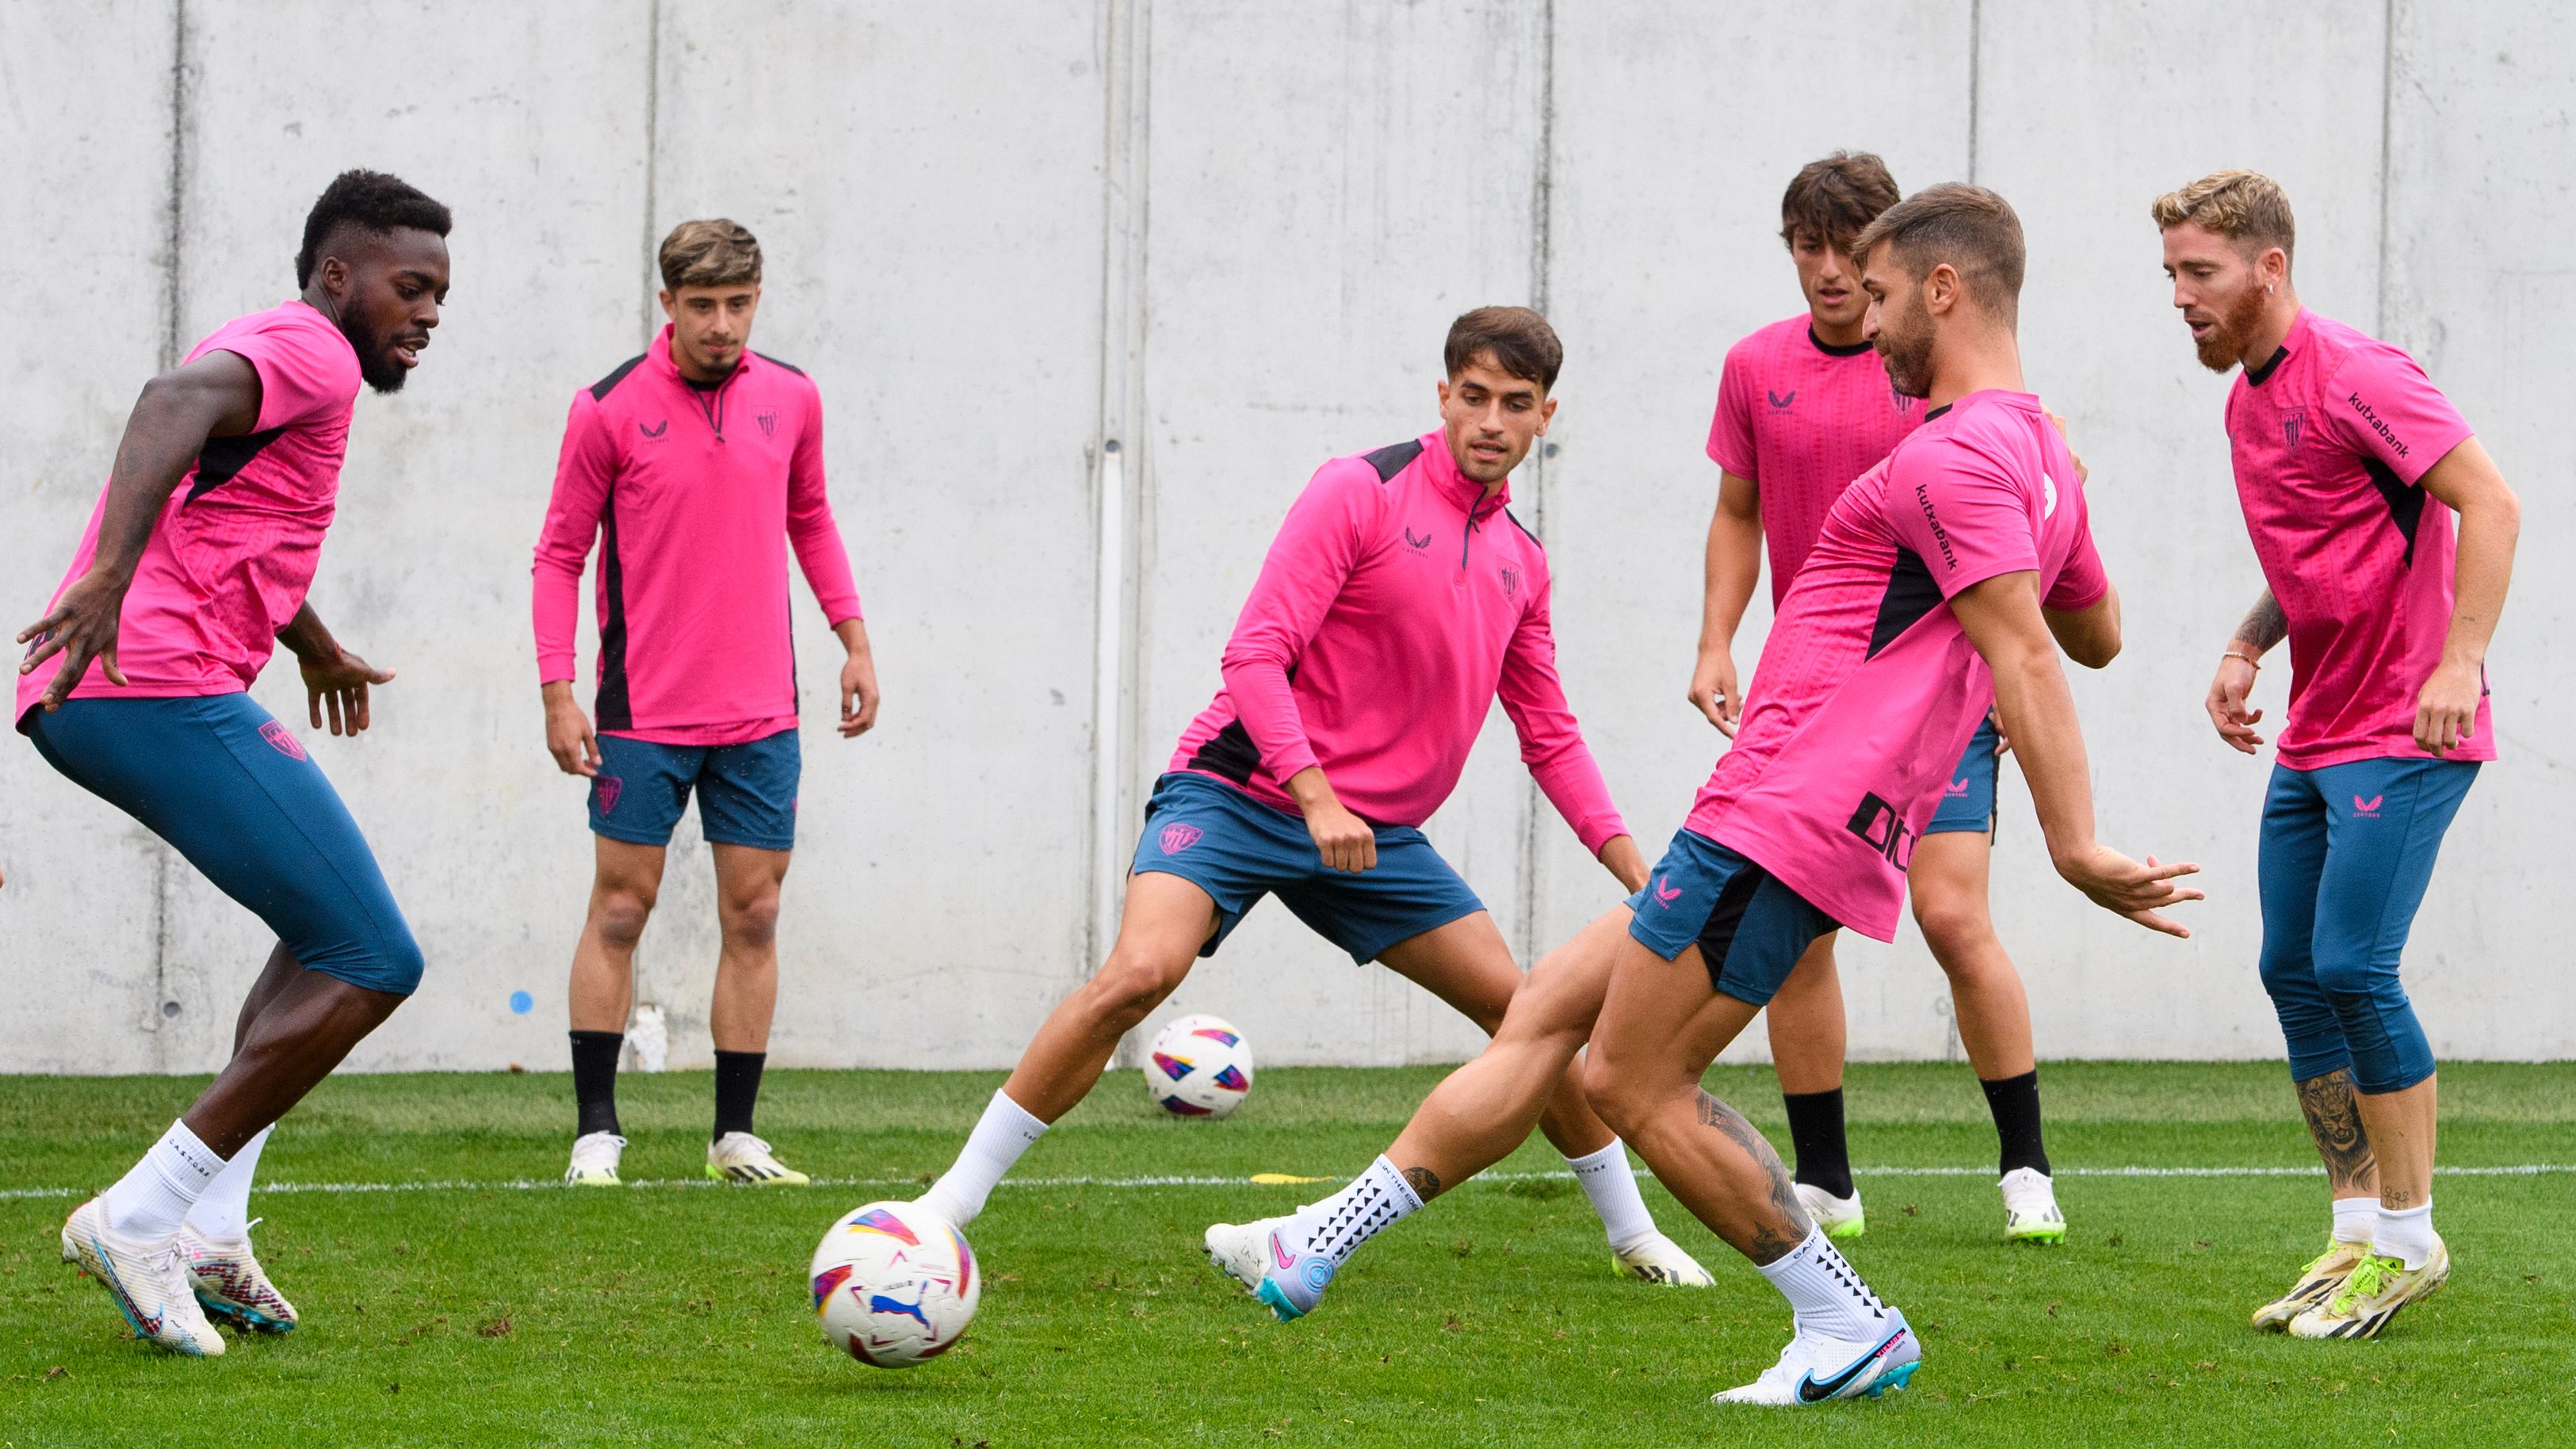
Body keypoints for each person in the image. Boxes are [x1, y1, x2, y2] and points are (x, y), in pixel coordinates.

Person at [1213, 186, 2200, 1406]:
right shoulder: (2034, 452)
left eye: (1883, 295)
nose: (1868, 320)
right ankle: (1316, 1244)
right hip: (1770, 804)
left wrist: (2073, 842)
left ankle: (1847, 1323)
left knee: (1629, 1083)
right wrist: (2057, 507)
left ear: (1943, 290)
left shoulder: (1954, 452)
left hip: (1787, 813)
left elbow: (2032, 653)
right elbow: (2095, 626)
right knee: (1546, 1009)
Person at [913, 308, 1710, 1289]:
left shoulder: (1522, 563)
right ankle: (946, 1204)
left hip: (1371, 836)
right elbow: (1254, 654)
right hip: (1241, 789)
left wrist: (1640, 868)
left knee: (1529, 1014)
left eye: (1514, 404)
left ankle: (1632, 1234)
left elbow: (1547, 730)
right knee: (1137, 973)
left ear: (1547, 415)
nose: (1490, 422)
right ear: (1442, 395)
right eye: (1472, 397)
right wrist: (1314, 793)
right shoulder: (1359, 490)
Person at [17, 170, 452, 1355]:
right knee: (374, 957)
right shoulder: (305, 348)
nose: (427, 313)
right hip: (143, 683)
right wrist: (105, 573)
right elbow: (169, 403)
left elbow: (232, 508)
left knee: (322, 936)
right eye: (410, 288)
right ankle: (144, 1214)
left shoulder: (299, 364)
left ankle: (208, 1227)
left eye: (439, 297)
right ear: (336, 276)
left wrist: (311, 642)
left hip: (134, 685)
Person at [2155, 170, 2518, 1340]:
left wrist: (2458, 665)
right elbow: (2319, 539)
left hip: (2407, 729)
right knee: (2292, 971)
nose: (2177, 296)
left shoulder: (2360, 373)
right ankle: (2353, 1229)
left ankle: (2411, 1242)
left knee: (2355, 967)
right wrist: (2245, 644)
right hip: (2315, 729)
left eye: (2197, 272)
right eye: (2168, 274)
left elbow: (2490, 504)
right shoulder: (2244, 405)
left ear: (2268, 267)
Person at [1694, 151, 2063, 1245]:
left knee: (1952, 915)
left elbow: (2030, 515)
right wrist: (1716, 640)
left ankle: (2025, 1167)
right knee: (1797, 942)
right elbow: (1735, 510)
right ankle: (1824, 1183)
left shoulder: (1933, 373)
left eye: (1846, 248)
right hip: (1813, 709)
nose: (1824, 268)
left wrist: (2005, 664)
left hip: (1935, 704)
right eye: (1804, 247)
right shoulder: (1753, 366)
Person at [533, 220, 878, 1188]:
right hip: (641, 713)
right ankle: (596, 1133)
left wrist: (854, 639)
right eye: (702, 307)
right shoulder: (606, 409)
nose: (721, 326)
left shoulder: (794, 397)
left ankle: (735, 1135)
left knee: (756, 914)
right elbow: (559, 554)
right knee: (619, 908)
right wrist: (557, 690)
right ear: (667, 306)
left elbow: (809, 517)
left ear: (757, 299)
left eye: (737, 304)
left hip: (764, 713)